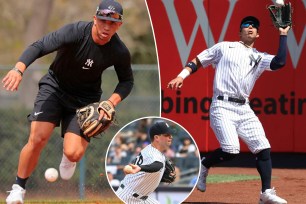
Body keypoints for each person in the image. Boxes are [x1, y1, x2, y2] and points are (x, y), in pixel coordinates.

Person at [2, 0, 133, 203]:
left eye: (112, 23)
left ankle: (67, 156)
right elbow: (39, 46)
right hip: (54, 88)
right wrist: (18, 69)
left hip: (85, 100)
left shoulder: (119, 51)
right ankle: (18, 187)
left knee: (73, 153)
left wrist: (110, 102)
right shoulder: (75, 32)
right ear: (95, 19)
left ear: (119, 25)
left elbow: (127, 81)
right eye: (103, 20)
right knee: (38, 138)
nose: (106, 26)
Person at [167, 16, 290, 204]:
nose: (249, 28)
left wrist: (283, 34)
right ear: (239, 31)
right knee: (232, 150)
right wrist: (182, 75)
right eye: (245, 26)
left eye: (254, 26)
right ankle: (204, 164)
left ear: (258, 34)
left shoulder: (260, 56)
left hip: (244, 108)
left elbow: (280, 62)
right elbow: (198, 60)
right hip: (222, 105)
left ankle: (266, 193)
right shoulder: (224, 47)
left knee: (263, 148)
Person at [115, 121, 174, 204]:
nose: (170, 137)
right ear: (156, 137)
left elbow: (152, 169)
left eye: (170, 134)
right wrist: (141, 168)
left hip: (141, 197)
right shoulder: (153, 154)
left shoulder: (152, 150)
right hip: (128, 197)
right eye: (166, 135)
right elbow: (157, 165)